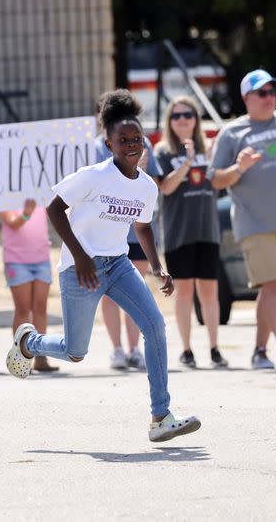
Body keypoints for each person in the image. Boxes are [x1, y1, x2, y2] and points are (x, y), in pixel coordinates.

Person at [5, 89, 200, 442]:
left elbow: (142, 226)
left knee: (155, 326)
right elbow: (53, 208)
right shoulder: (93, 176)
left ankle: (161, 415)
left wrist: (157, 267)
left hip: (119, 265)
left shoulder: (146, 185)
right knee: (74, 351)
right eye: (123, 140)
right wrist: (80, 256)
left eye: (137, 139)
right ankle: (29, 342)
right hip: (81, 267)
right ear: (109, 145)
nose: (131, 145)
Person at [209, 69, 276, 371]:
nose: (270, 98)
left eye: (272, 92)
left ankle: (259, 351)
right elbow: (215, 180)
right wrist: (238, 169)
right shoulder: (233, 133)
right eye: (262, 93)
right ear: (246, 98)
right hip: (252, 221)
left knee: (271, 289)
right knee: (273, 284)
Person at [155, 97, 228, 369]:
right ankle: (186, 350)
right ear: (169, 122)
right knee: (183, 291)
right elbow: (165, 188)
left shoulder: (210, 149)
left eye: (188, 114)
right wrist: (185, 162)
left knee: (209, 290)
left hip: (207, 229)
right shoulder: (163, 151)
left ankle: (214, 348)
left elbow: (220, 182)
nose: (183, 120)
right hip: (178, 232)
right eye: (176, 116)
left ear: (196, 118)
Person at [94, 108, 160, 371]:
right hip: (108, 232)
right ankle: (117, 350)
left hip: (136, 230)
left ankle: (135, 349)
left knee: (136, 290)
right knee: (110, 293)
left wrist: (142, 171)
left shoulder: (145, 144)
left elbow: (155, 184)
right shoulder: (96, 147)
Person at [0, 198, 58, 373]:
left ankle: (41, 356)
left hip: (41, 259)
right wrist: (26, 214)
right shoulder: (3, 196)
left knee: (40, 308)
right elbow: (12, 223)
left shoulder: (40, 195)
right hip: (16, 260)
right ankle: (22, 357)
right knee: (23, 310)